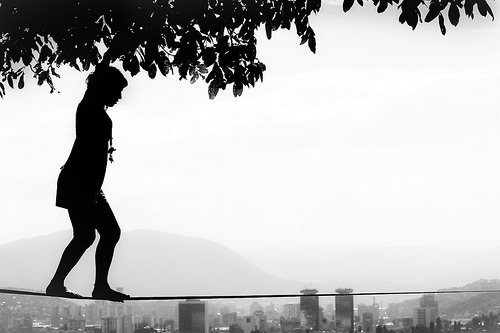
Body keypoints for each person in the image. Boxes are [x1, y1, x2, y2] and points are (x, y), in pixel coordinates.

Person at [46, 65, 130, 302]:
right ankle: (97, 286)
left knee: (88, 235)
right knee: (105, 233)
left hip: (83, 184)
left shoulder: (88, 109)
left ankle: (62, 284)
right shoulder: (90, 109)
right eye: (117, 91)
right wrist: (93, 192)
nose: (120, 97)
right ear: (105, 88)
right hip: (81, 185)